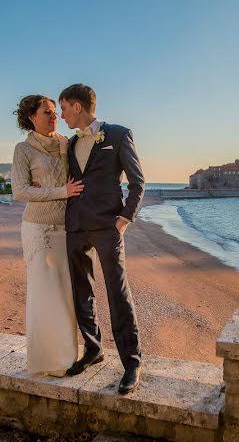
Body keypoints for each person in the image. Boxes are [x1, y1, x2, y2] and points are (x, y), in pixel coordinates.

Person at [60, 84, 146, 394]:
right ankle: (93, 349)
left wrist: (124, 219)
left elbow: (138, 183)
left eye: (64, 109)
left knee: (117, 293)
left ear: (78, 107)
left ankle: (132, 362)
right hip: (76, 226)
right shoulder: (70, 144)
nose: (62, 115)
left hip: (108, 227)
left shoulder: (119, 135)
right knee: (81, 290)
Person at [11, 95, 84, 376]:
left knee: (65, 294)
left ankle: (66, 360)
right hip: (39, 229)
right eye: (47, 112)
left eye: (55, 111)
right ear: (31, 117)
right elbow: (20, 191)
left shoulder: (67, 143)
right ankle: (44, 361)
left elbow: (76, 178)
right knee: (44, 294)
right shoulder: (24, 150)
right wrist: (59, 192)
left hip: (67, 227)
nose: (54, 116)